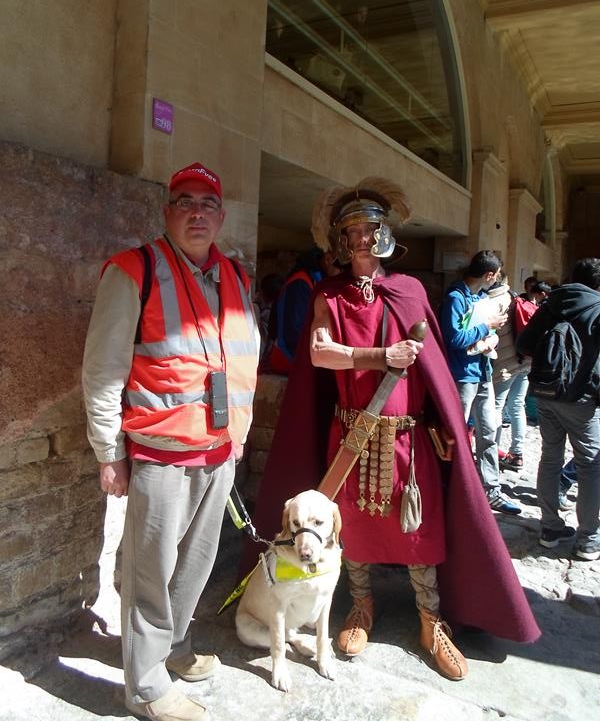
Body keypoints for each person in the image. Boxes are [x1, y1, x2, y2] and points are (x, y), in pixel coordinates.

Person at [241, 179, 539, 682]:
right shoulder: (328, 294)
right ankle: (361, 608)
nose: (360, 238)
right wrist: (382, 356)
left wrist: (447, 424)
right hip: (351, 434)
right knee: (351, 526)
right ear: (340, 240)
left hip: (406, 436)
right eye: (351, 230)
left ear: (384, 234)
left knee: (416, 526)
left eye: (369, 228)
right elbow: (319, 351)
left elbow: (435, 371)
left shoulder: (409, 290)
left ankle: (430, 620)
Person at [82, 162, 260, 721]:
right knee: (149, 572)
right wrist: (109, 452)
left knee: (194, 567)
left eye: (207, 203)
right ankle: (145, 687)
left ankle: (170, 647)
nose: (197, 213)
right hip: (161, 453)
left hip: (220, 448)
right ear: (167, 212)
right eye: (185, 202)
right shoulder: (133, 269)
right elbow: (103, 369)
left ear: (221, 215)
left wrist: (237, 440)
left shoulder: (236, 276)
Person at [517, 258, 600, 560]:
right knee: (590, 464)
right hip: (582, 400)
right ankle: (588, 539)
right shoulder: (598, 307)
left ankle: (549, 529)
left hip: (545, 393)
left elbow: (525, 343)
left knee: (551, 456)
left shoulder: (551, 304)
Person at [440, 251, 521, 514]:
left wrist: (490, 338)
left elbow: (487, 332)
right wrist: (487, 326)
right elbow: (453, 338)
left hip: (483, 372)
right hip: (462, 375)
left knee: (488, 433)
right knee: (455, 434)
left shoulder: (480, 297)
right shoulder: (455, 298)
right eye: (496, 275)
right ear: (489, 275)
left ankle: (491, 490)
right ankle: (450, 487)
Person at [267, 246, 339, 374]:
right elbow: (292, 333)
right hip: (288, 363)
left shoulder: (315, 281)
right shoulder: (300, 283)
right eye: (342, 268)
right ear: (328, 260)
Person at [493, 280, 538, 472]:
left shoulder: (497, 302)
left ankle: (492, 451)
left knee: (496, 406)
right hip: (525, 362)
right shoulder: (520, 300)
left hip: (505, 365)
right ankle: (517, 453)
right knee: (518, 406)